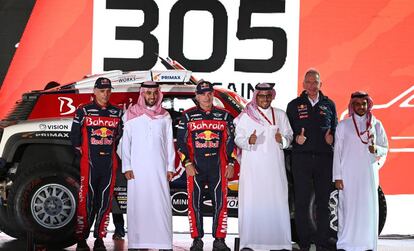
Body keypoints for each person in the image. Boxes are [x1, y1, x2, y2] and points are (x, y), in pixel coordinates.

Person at [177, 80, 236, 251]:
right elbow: (180, 143)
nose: (206, 97)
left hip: (218, 166)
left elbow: (230, 142)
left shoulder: (224, 116)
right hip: (195, 166)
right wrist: (187, 162)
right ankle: (197, 239)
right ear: (196, 96)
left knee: (220, 202)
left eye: (209, 93)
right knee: (194, 203)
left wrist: (231, 163)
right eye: (202, 94)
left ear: (213, 94)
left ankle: (219, 239)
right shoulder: (187, 116)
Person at [234, 83, 293, 251]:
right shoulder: (246, 116)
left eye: (268, 95)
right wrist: (248, 141)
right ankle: (251, 243)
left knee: (276, 201)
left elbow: (289, 136)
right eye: (262, 96)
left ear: (272, 96)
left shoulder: (280, 115)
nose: (265, 99)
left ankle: (279, 242)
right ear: (256, 97)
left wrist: (282, 140)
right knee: (253, 202)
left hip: (274, 169)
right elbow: (238, 138)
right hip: (253, 169)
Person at [286, 69, 337, 251]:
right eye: (308, 82)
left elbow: (336, 130)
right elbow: (287, 134)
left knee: (323, 203)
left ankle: (322, 242)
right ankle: (304, 243)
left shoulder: (329, 104)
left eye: (315, 82)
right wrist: (295, 140)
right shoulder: (293, 105)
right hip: (301, 159)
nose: (311, 86)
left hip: (324, 160)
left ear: (320, 84)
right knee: (301, 202)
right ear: (303, 85)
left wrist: (333, 139)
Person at [121, 81, 175, 250]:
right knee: (138, 205)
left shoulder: (165, 116)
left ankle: (163, 243)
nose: (152, 96)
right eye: (148, 93)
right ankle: (137, 243)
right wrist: (127, 166)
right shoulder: (131, 115)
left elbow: (168, 144)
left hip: (159, 169)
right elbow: (125, 143)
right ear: (142, 94)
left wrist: (170, 167)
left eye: (154, 93)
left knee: (161, 205)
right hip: (137, 170)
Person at [70, 77, 123, 251]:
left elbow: (119, 136)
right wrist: (83, 155)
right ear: (94, 91)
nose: (105, 94)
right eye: (101, 90)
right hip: (90, 163)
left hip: (109, 163)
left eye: (108, 90)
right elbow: (74, 136)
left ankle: (99, 239)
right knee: (86, 201)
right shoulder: (83, 111)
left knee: (105, 203)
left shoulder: (117, 112)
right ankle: (81, 239)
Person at [333, 91, 388, 251]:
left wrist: (375, 148)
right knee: (349, 208)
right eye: (357, 104)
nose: (361, 107)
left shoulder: (376, 124)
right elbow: (337, 152)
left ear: (368, 104)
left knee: (368, 208)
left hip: (368, 175)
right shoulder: (343, 125)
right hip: (348, 174)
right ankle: (346, 243)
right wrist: (337, 176)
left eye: (364, 104)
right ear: (352, 106)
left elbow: (385, 148)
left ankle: (367, 243)